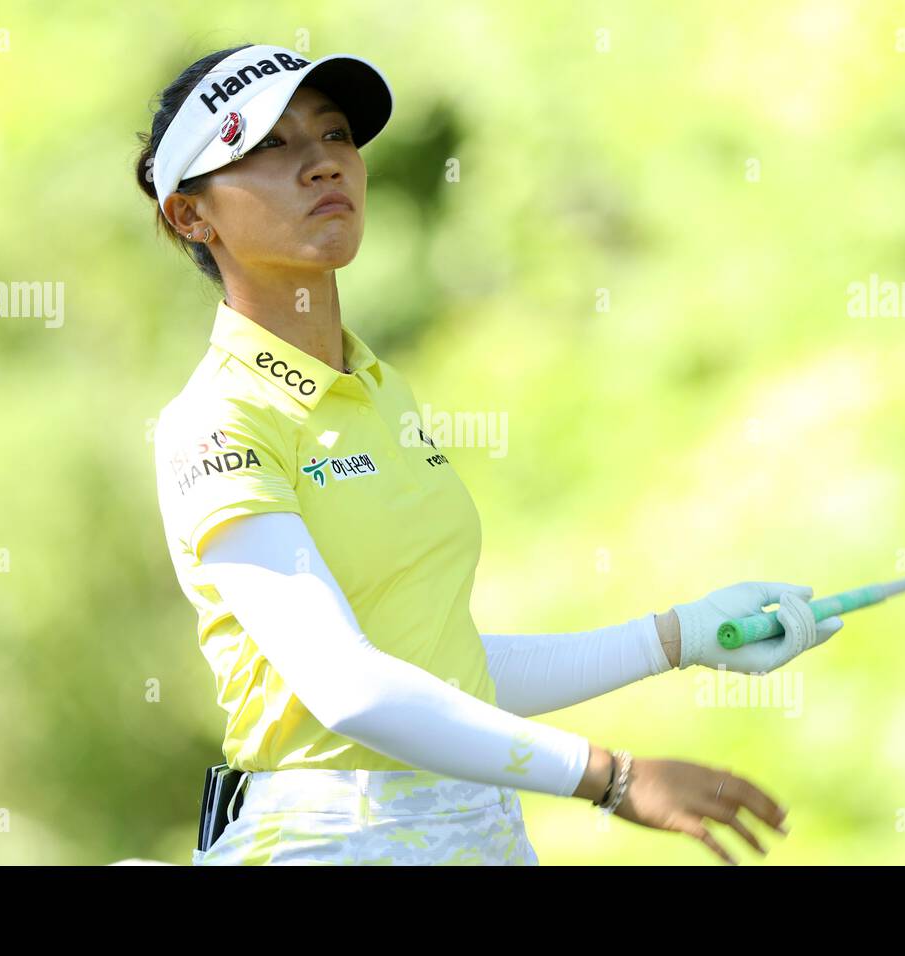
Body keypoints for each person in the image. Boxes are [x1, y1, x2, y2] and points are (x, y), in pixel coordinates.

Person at [135, 43, 845, 866]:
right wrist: (611, 778)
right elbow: (349, 687)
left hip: (478, 833)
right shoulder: (218, 419)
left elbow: (443, 673)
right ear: (192, 216)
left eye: (334, 136)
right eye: (269, 146)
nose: (323, 164)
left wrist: (681, 635)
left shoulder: (377, 388)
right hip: (329, 840)